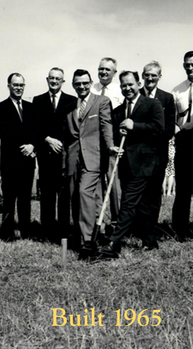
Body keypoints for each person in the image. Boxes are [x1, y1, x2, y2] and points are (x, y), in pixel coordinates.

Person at [99, 71, 164, 258]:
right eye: (123, 85)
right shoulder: (119, 111)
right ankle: (150, 241)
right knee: (141, 205)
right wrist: (117, 138)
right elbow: (115, 134)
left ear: (139, 84)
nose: (127, 88)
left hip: (145, 165)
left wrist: (134, 126)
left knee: (127, 203)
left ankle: (114, 243)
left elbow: (159, 129)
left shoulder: (152, 104)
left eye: (130, 84)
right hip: (125, 165)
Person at [64, 69, 114, 257]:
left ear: (91, 83)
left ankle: (87, 242)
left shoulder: (101, 101)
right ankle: (92, 235)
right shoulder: (70, 106)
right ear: (73, 85)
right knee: (83, 198)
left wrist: (110, 146)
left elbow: (106, 125)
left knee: (85, 192)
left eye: (85, 83)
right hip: (74, 159)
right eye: (78, 83)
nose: (82, 86)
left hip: (93, 157)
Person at [33, 68, 76, 240]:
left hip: (65, 155)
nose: (54, 81)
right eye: (51, 78)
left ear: (63, 81)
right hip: (46, 154)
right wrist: (48, 139)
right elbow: (35, 126)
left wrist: (63, 145)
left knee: (64, 194)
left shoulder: (71, 100)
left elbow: (73, 128)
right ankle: (47, 230)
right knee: (47, 194)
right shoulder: (38, 100)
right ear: (47, 79)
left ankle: (64, 230)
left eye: (58, 79)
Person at [0, 73, 36, 241]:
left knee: (25, 198)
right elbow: (5, 133)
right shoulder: (0, 107)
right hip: (10, 160)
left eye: (21, 85)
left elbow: (37, 129)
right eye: (15, 85)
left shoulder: (31, 107)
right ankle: (7, 233)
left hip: (28, 160)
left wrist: (32, 145)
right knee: (9, 199)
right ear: (9, 86)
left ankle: (26, 231)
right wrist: (24, 147)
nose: (18, 88)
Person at [171, 51, 193, 240]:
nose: (190, 68)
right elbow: (171, 117)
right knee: (183, 188)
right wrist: (177, 131)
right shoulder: (177, 90)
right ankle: (180, 229)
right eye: (187, 64)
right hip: (184, 141)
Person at [140, 61, 175, 222]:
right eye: (147, 75)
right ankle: (137, 226)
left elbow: (169, 129)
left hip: (157, 153)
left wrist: (152, 142)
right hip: (138, 154)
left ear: (159, 77)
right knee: (138, 193)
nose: (150, 78)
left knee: (154, 192)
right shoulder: (136, 95)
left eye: (153, 75)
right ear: (142, 75)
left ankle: (151, 226)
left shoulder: (167, 98)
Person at [91, 57, 123, 230]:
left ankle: (117, 223)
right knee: (97, 185)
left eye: (107, 69)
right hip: (95, 145)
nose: (103, 72)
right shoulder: (92, 89)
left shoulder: (119, 90)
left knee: (114, 185)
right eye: (100, 69)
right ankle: (99, 223)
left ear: (114, 72)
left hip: (113, 144)